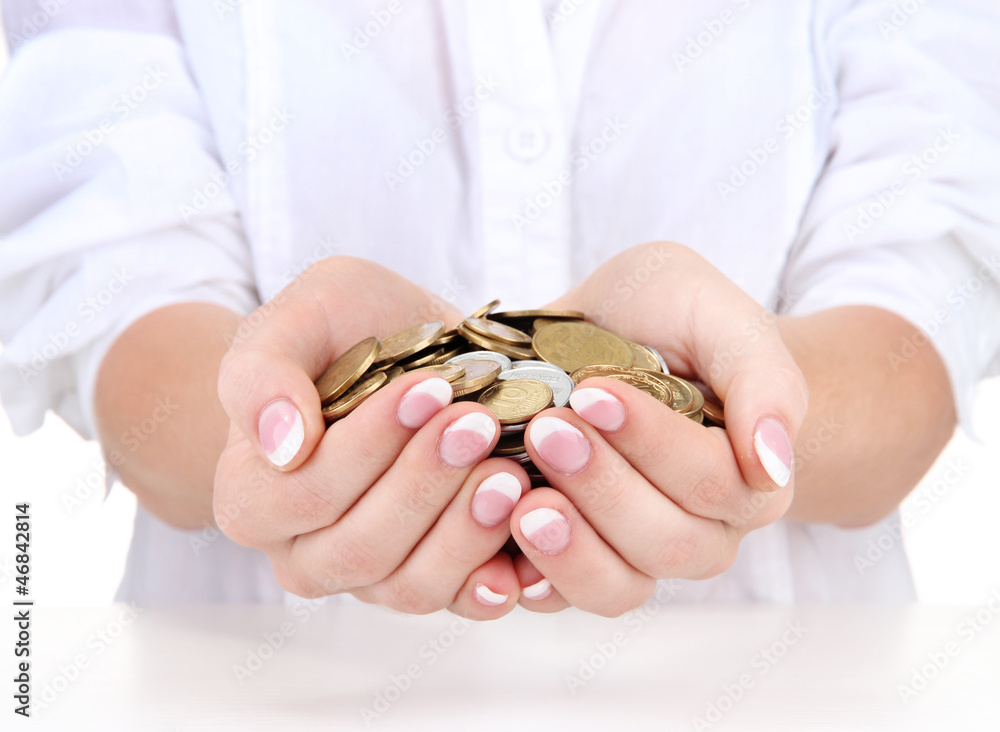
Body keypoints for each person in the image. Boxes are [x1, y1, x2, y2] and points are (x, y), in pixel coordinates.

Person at [1, 1, 999, 614]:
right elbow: (113, 287)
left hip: (789, 691)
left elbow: (922, 306)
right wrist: (268, 420)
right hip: (257, 694)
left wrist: (742, 411)